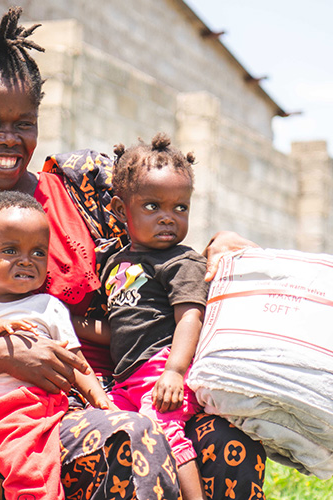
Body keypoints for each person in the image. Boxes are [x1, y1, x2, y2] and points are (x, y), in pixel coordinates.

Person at [0, 6, 268, 499]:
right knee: (129, 437)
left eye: (23, 123)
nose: (8, 138)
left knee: (224, 437)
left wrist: (218, 245)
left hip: (129, 386)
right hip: (19, 423)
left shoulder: (81, 188)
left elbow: (160, 230)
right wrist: (2, 357)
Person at [0, 191, 110, 499]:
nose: (26, 261)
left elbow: (76, 361)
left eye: (38, 252)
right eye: (11, 250)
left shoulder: (47, 307)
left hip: (26, 413)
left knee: (30, 468)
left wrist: (99, 398)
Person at [102, 134, 207, 500]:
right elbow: (121, 321)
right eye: (152, 206)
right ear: (120, 210)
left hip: (162, 369)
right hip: (126, 378)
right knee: (110, 431)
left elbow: (190, 317)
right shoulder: (115, 262)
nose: (168, 218)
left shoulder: (182, 261)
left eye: (180, 208)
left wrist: (175, 371)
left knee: (165, 431)